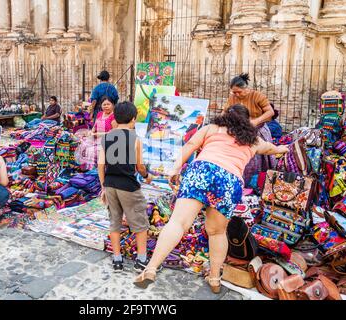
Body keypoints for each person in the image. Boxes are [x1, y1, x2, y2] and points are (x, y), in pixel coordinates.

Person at [133, 104, 289, 293]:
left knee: (178, 223)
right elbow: (271, 148)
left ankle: (151, 268)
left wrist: (175, 168)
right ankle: (215, 278)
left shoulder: (211, 128)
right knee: (217, 232)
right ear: (247, 122)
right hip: (230, 181)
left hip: (203, 171)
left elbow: (190, 145)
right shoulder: (253, 140)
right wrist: (284, 148)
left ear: (225, 117)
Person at [98, 101, 154, 272]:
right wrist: (147, 176)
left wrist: (103, 187)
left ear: (115, 117)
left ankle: (117, 260)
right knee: (139, 222)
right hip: (128, 186)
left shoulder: (106, 138)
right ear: (133, 119)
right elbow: (140, 167)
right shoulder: (135, 139)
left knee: (114, 221)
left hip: (110, 185)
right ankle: (142, 260)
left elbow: (101, 165)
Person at [223, 73, 276, 184]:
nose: (236, 94)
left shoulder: (257, 96)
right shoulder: (232, 98)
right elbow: (224, 112)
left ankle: (261, 183)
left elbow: (270, 112)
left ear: (246, 88)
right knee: (244, 158)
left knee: (260, 159)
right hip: (240, 132)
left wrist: (256, 121)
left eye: (239, 92)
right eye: (234, 92)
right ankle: (244, 183)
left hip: (258, 131)